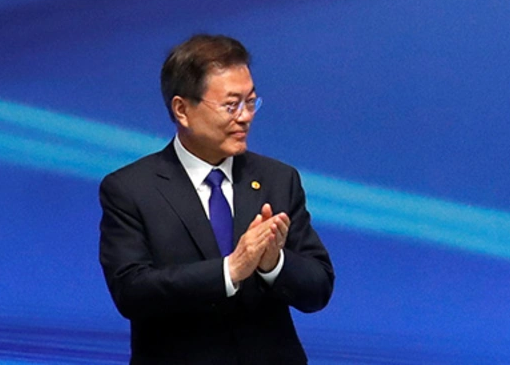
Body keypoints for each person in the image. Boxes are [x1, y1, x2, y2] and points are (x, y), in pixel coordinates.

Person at [99, 34, 334, 365]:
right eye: (231, 105)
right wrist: (230, 270)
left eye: (251, 102)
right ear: (182, 110)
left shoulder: (277, 179)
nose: (245, 116)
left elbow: (318, 288)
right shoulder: (131, 188)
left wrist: (273, 264)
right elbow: (132, 291)